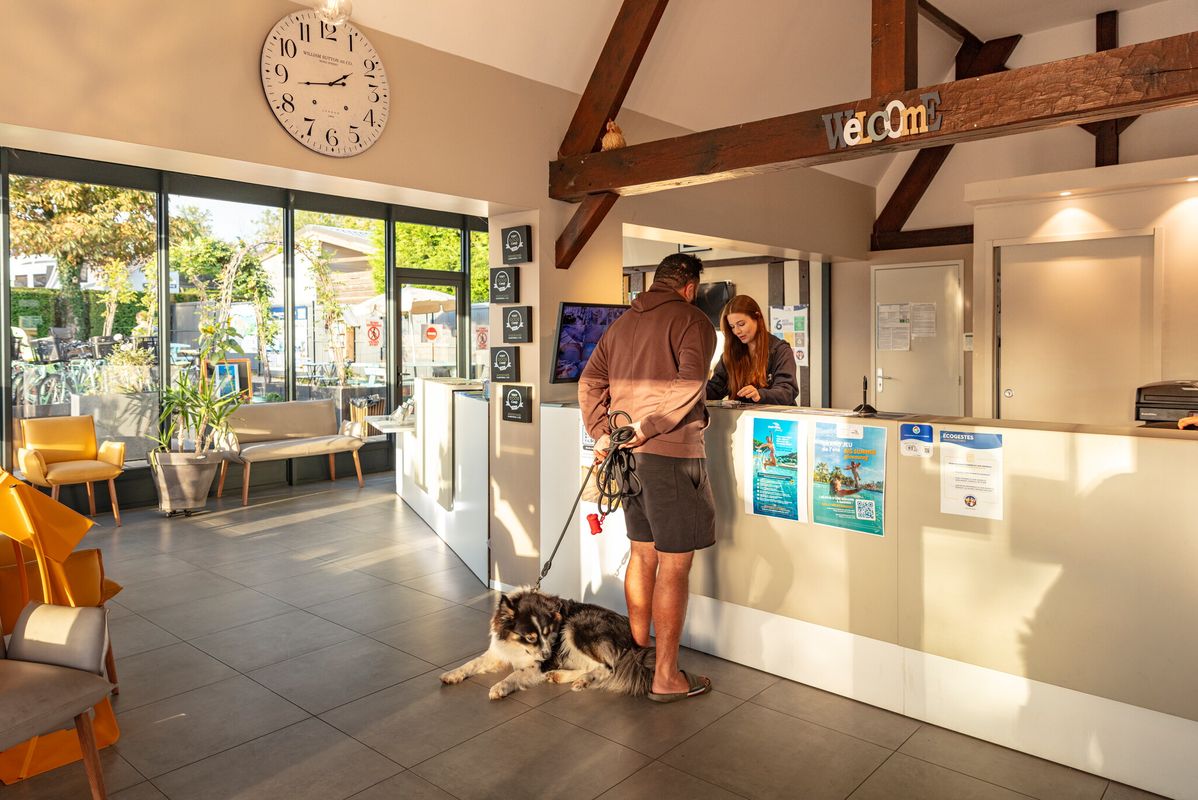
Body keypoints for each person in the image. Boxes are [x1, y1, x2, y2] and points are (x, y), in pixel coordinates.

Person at [578, 252, 716, 702]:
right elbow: (692, 380)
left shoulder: (619, 325)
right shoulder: (692, 319)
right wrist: (650, 427)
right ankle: (666, 676)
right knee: (675, 564)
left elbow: (589, 381)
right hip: (671, 456)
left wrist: (604, 432)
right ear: (689, 286)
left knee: (641, 554)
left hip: (627, 459)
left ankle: (636, 664)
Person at [706, 295, 798, 406]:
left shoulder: (781, 351)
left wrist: (760, 395)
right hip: (742, 419)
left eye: (741, 324)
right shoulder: (730, 354)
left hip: (775, 420)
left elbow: (787, 391)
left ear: (757, 317)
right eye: (732, 326)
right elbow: (715, 388)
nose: (737, 331)